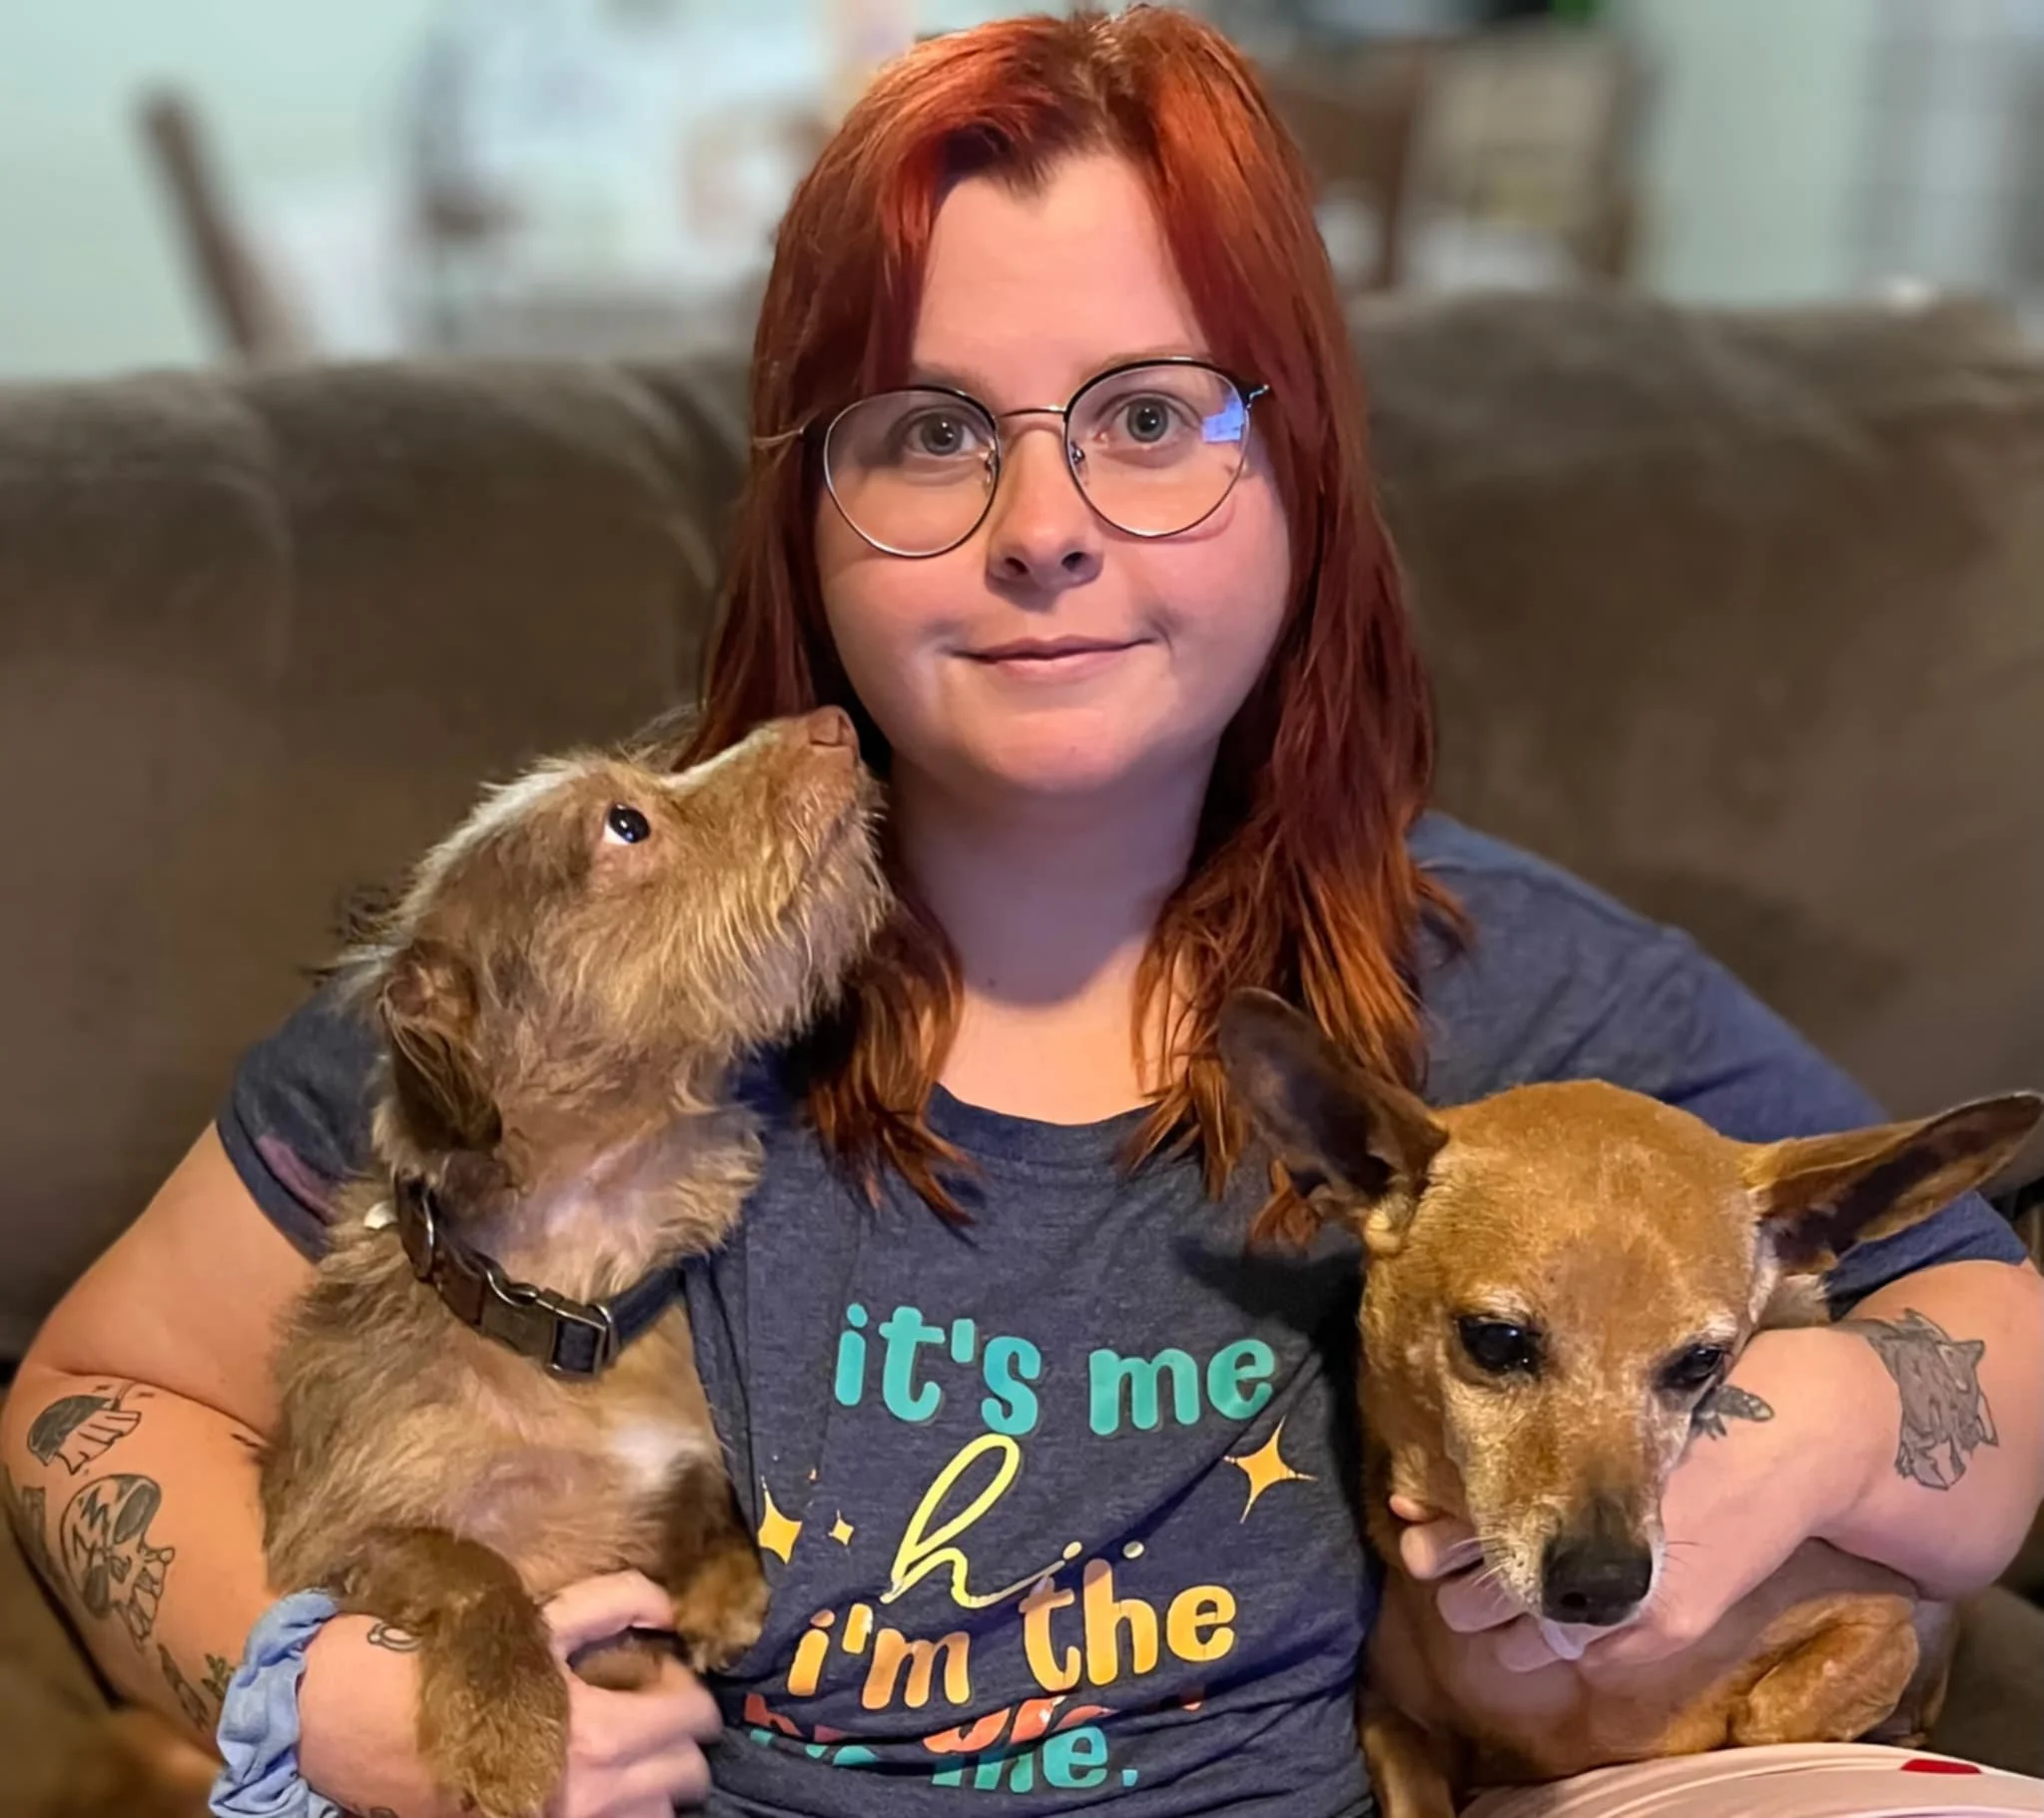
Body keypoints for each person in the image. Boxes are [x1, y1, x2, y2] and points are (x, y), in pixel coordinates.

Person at [6, 11, 2041, 1818]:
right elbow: (102, 1395)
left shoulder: (1498, 986)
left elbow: (1979, 1318)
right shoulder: (597, 964)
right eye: (931, 432)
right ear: (808, 512)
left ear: (1302, 478)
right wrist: (315, 1699)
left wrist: (1812, 1421)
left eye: (1151, 417)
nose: (1043, 527)